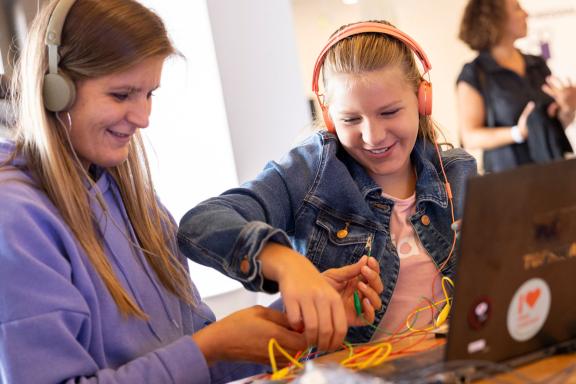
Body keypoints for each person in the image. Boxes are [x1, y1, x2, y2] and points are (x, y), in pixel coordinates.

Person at [0, 1, 383, 382]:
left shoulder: (131, 197)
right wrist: (210, 347)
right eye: (121, 95)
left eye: (149, 94)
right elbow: (198, 354)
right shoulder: (16, 220)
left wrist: (300, 317)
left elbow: (194, 363)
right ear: (55, 90)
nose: (143, 118)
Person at [178, 20, 478, 345]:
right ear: (329, 115)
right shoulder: (310, 173)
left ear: (422, 100)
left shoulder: (457, 173)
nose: (373, 136)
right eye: (351, 119)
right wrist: (286, 263)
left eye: (389, 112)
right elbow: (200, 224)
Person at [457, 0, 576, 173]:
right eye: (517, 8)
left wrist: (568, 107)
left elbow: (557, 122)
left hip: (554, 169)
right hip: (510, 181)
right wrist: (517, 133)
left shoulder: (537, 64)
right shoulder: (475, 73)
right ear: (495, 19)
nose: (526, 14)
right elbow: (469, 137)